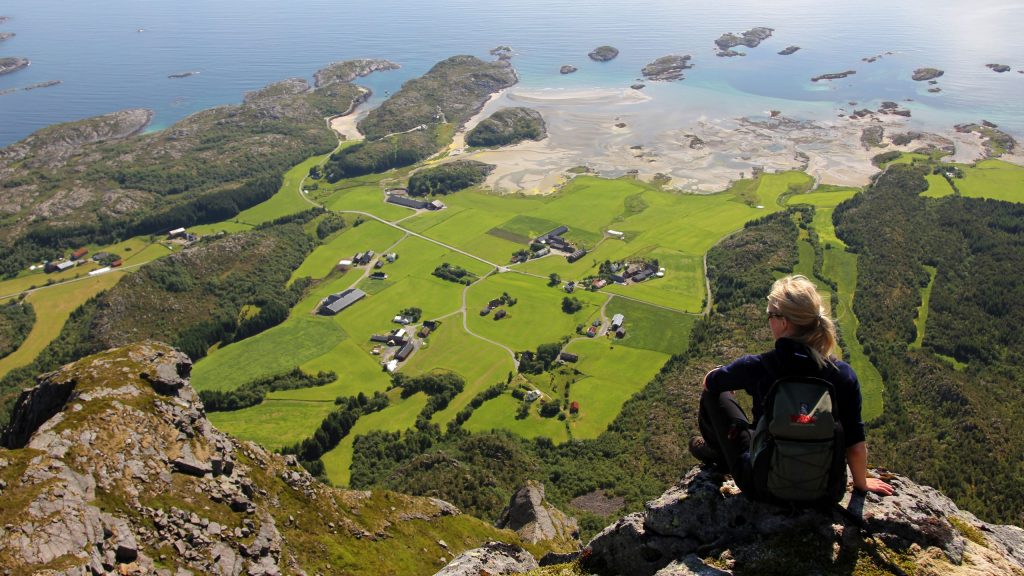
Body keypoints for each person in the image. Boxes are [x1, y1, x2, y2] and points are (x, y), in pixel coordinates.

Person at [690, 274, 893, 497]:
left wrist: (719, 373)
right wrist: (862, 483)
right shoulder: (843, 374)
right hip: (825, 491)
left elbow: (710, 383)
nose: (768, 321)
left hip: (762, 485)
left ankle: (719, 454)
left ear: (784, 322)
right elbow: (855, 442)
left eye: (770, 315)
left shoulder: (758, 366)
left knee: (714, 395)